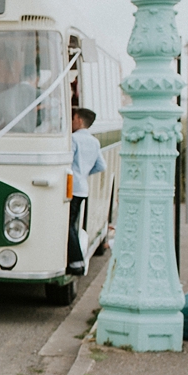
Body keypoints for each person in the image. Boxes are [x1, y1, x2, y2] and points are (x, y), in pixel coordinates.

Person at [67, 107, 106, 275]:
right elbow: (101, 166)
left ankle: (76, 261)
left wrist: (75, 174)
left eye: (73, 118)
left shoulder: (73, 139)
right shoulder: (94, 141)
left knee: (67, 225)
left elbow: (68, 162)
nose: (71, 121)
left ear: (79, 120)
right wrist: (83, 173)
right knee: (73, 223)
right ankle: (74, 259)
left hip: (71, 187)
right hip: (82, 188)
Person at [0, 63, 40, 131]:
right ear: (35, 77)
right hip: (36, 139)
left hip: (11, 139)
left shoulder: (2, 97)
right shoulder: (42, 95)